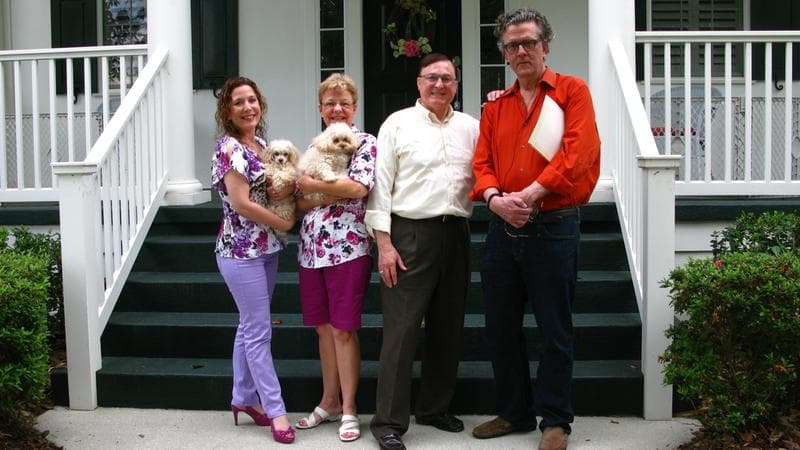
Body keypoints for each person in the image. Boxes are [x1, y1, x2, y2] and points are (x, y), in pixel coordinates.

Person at [470, 8, 601, 450]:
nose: (521, 51)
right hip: (502, 230)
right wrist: (494, 200)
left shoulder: (572, 92)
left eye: (529, 42)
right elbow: (481, 164)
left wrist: (527, 196)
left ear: (546, 45)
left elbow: (578, 154)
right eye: (512, 45)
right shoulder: (495, 107)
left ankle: (555, 421)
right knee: (500, 327)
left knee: (553, 328)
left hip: (554, 226)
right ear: (504, 54)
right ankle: (514, 411)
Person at [366, 53, 480, 450]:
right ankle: (389, 423)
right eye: (432, 77)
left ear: (456, 84)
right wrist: (383, 243)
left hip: (457, 233)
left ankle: (434, 407)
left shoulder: (471, 127)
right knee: (401, 330)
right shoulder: (397, 124)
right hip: (410, 234)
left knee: (448, 327)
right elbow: (380, 185)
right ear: (418, 82)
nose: (439, 85)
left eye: (447, 78)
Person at [211, 76, 297, 444]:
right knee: (259, 330)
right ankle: (275, 409)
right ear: (228, 111)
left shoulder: (261, 145)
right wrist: (285, 223)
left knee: (248, 326)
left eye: (252, 100)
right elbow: (242, 203)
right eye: (239, 102)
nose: (248, 107)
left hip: (266, 249)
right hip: (239, 251)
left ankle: (243, 398)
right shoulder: (228, 148)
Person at [293, 73, 377, 442]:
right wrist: (327, 193)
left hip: (348, 247)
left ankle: (349, 408)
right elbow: (297, 201)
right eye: (330, 103)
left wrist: (313, 187)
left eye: (344, 102)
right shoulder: (313, 146)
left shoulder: (365, 143)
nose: (337, 108)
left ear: (354, 107)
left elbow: (358, 187)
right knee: (322, 328)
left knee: (343, 329)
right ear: (320, 109)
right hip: (311, 248)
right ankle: (328, 401)